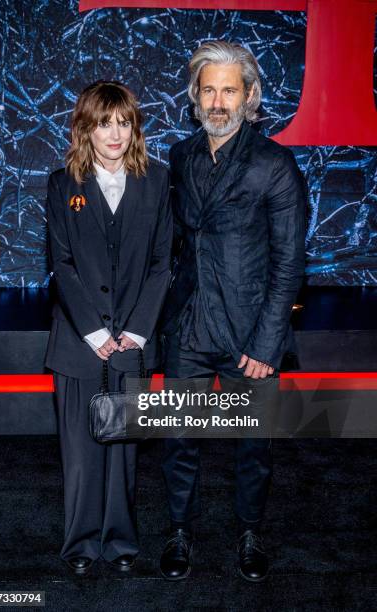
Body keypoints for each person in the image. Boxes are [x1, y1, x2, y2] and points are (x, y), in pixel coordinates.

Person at [160, 41, 306, 582]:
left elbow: (290, 262)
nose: (218, 101)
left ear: (249, 97)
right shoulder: (181, 156)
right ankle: (180, 529)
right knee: (178, 440)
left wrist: (269, 343)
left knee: (252, 445)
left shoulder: (274, 164)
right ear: (195, 96)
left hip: (250, 333)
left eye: (229, 90)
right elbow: (172, 243)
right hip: (191, 326)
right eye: (208, 89)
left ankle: (249, 532)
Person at [45, 80, 172, 575]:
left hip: (132, 347)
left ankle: (120, 543)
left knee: (123, 455)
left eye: (123, 122)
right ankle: (80, 545)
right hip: (79, 347)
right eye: (104, 123)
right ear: (86, 129)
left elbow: (163, 262)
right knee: (80, 454)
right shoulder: (63, 184)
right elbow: (62, 263)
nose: (114, 134)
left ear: (133, 127)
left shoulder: (157, 181)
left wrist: (135, 332)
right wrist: (95, 333)